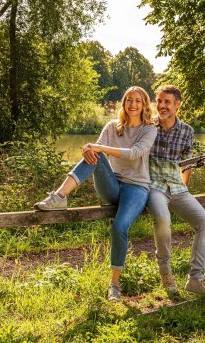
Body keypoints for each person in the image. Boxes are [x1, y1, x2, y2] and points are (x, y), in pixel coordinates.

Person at [33, 86, 157, 302]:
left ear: (145, 104)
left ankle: (114, 285)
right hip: (113, 185)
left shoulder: (149, 129)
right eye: (129, 100)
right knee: (95, 156)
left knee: (120, 227)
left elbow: (134, 154)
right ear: (124, 103)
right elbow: (96, 150)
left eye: (138, 100)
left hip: (137, 188)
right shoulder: (112, 127)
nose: (133, 104)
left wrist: (100, 149)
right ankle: (59, 197)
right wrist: (88, 150)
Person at [146, 85, 205, 294]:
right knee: (163, 218)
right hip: (154, 186)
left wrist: (183, 191)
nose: (161, 106)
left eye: (167, 102)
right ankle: (165, 271)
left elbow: (186, 164)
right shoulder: (147, 126)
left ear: (177, 104)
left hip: (177, 187)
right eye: (159, 101)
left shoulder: (187, 131)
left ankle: (195, 280)